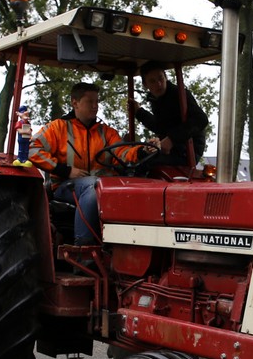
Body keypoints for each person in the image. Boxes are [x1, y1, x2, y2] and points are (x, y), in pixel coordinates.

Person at [30, 82, 149, 246]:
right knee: (95, 186)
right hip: (67, 187)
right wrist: (65, 170)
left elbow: (122, 153)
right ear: (75, 103)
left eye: (97, 102)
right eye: (90, 102)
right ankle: (82, 247)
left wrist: (142, 152)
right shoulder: (58, 128)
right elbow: (32, 149)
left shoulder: (106, 133)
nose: (95, 106)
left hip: (103, 187)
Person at [133, 62, 209, 165]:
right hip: (171, 149)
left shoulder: (180, 94)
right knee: (138, 154)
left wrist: (171, 139)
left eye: (160, 78)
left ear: (166, 77)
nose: (159, 84)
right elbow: (160, 127)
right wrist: (139, 112)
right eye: (152, 81)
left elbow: (201, 119)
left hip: (188, 152)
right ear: (145, 85)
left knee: (146, 162)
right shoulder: (156, 100)